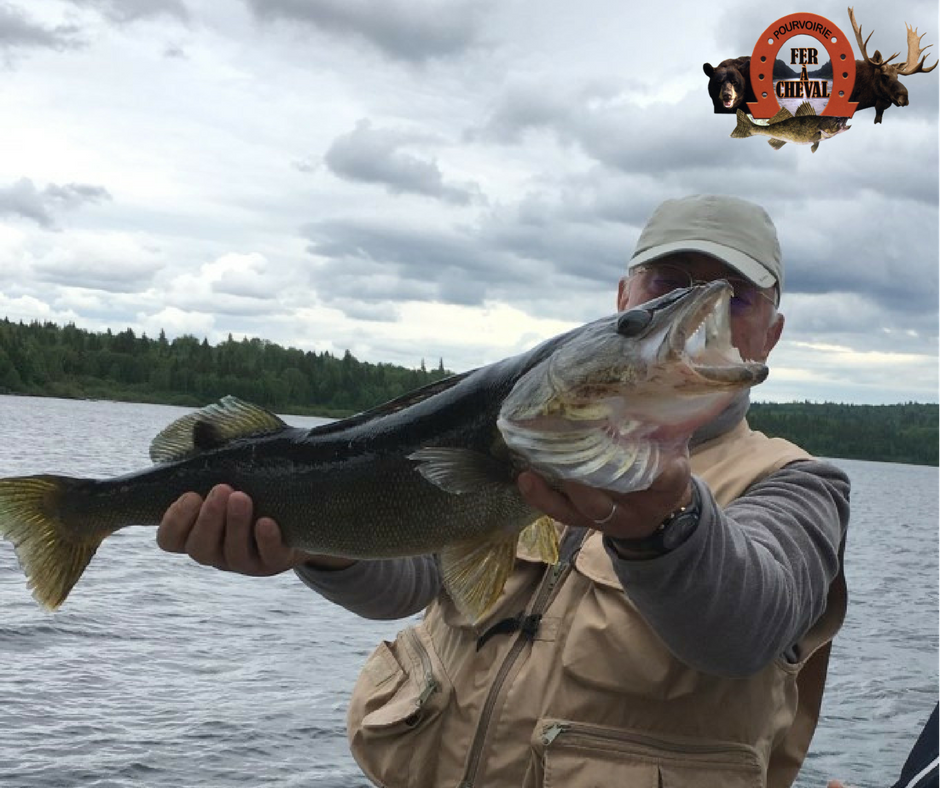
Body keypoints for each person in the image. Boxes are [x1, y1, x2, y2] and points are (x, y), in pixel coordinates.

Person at [156, 194, 851, 788]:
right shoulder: (532, 428)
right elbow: (411, 577)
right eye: (664, 287)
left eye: (739, 298)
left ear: (772, 335)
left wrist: (667, 521)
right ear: (621, 299)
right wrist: (312, 543)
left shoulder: (798, 484)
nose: (700, 311)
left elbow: (748, 630)